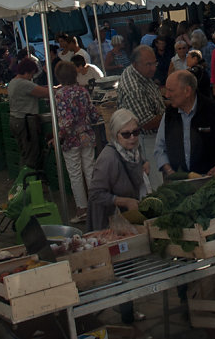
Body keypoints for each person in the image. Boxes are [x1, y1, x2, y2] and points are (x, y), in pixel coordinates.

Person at [87, 108, 150, 324]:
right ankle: (126, 317)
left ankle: (127, 310)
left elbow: (136, 165)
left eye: (136, 132)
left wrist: (143, 165)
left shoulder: (133, 150)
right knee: (122, 268)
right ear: (115, 135)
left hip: (124, 222)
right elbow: (95, 193)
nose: (133, 137)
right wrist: (122, 201)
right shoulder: (108, 159)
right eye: (126, 134)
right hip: (107, 222)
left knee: (127, 266)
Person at [155, 70, 215, 177]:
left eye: (171, 90)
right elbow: (159, 148)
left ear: (187, 91)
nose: (167, 95)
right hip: (180, 185)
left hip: (212, 184)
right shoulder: (169, 114)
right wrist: (169, 170)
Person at [54, 60, 99, 224]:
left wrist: (58, 136)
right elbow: (94, 114)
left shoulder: (60, 95)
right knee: (90, 169)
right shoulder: (83, 91)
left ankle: (82, 209)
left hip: (71, 139)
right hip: (87, 136)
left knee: (75, 174)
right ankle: (97, 204)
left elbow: (66, 121)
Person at [116, 45, 166, 189]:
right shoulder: (134, 88)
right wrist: (173, 113)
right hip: (145, 139)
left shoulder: (142, 74)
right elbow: (147, 122)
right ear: (135, 64)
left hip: (154, 136)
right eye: (148, 64)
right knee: (156, 183)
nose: (153, 68)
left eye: (154, 63)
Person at [8, 57, 49, 171]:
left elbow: (39, 88)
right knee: (31, 154)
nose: (32, 77)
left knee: (25, 152)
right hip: (24, 121)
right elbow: (45, 93)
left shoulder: (13, 81)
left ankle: (25, 180)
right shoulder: (23, 84)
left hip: (15, 119)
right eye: (31, 74)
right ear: (27, 72)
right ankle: (28, 181)